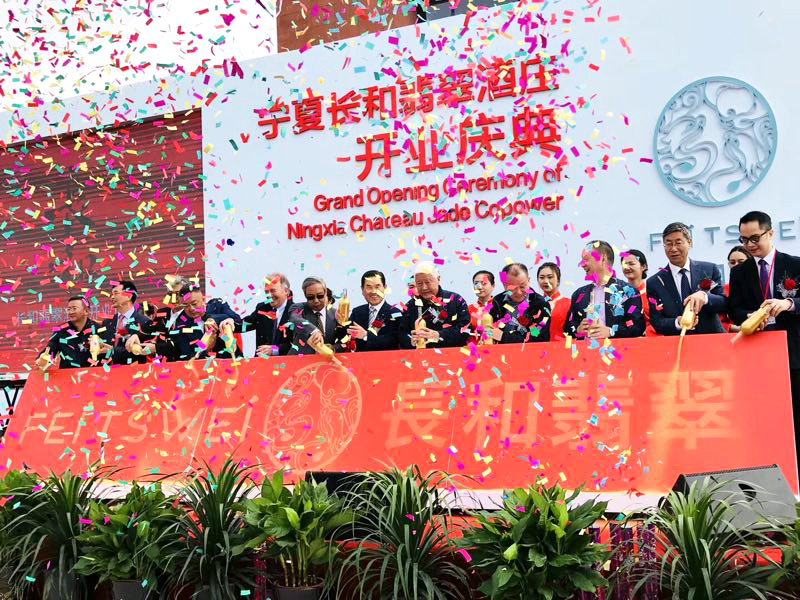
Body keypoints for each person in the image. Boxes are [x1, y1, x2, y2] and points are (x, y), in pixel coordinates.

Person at [728, 211, 800, 462]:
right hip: (758, 355)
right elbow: (734, 309)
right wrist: (750, 316)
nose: (749, 245)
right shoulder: (740, 272)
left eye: (755, 238)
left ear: (770, 233)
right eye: (744, 239)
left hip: (793, 354)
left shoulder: (795, 265)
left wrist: (789, 303)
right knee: (764, 419)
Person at [646, 223, 726, 336]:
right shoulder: (655, 282)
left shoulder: (709, 269)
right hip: (678, 342)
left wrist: (705, 297)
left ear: (689, 243)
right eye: (668, 244)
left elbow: (724, 304)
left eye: (678, 243)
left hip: (712, 339)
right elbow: (657, 321)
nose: (673, 249)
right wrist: (678, 323)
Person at [134, 282, 242, 361]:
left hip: (232, 364)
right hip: (201, 371)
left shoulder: (217, 306)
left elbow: (239, 322)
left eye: (194, 304)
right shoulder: (180, 323)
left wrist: (213, 319)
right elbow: (183, 352)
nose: (191, 309)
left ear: (203, 299)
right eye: (186, 305)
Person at [564, 240, 644, 339]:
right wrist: (578, 329)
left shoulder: (628, 292)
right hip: (585, 348)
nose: (582, 264)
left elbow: (637, 326)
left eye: (586, 259)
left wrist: (611, 332)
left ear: (602, 258)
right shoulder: (579, 294)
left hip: (617, 348)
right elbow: (567, 327)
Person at [399, 261, 470, 349]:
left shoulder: (456, 300)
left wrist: (439, 335)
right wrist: (411, 341)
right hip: (419, 355)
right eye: (419, 283)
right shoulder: (410, 306)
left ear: (438, 279)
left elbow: (466, 331)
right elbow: (401, 335)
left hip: (451, 355)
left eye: (428, 282)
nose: (424, 287)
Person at [488, 263, 550, 344]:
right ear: (504, 285)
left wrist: (503, 337)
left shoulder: (541, 304)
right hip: (501, 351)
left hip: (529, 351)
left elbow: (540, 338)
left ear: (529, 281)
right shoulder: (497, 301)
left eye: (522, 286)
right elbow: (492, 331)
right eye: (513, 288)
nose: (519, 292)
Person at [38, 296, 103, 369]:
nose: (70, 312)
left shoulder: (99, 329)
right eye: (68, 309)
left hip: (94, 373)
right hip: (67, 374)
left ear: (86, 311)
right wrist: (43, 360)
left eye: (74, 308)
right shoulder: (61, 330)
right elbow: (49, 351)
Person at [287, 276, 346, 355]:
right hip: (299, 361)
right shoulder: (298, 308)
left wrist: (331, 348)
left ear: (325, 293)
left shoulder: (335, 314)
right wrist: (314, 331)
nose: (316, 300)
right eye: (310, 297)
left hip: (325, 360)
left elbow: (344, 341)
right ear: (305, 296)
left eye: (320, 296)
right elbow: (295, 319)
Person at [345, 270, 400, 351]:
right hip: (359, 358)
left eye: (377, 287)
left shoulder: (395, 313)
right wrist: (341, 321)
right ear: (362, 290)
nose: (374, 291)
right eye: (369, 287)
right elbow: (345, 336)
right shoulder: (357, 312)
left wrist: (366, 336)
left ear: (385, 288)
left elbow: (393, 341)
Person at [242, 273, 295, 357]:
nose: (269, 295)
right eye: (266, 292)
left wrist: (274, 349)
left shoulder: (296, 312)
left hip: (286, 363)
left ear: (286, 291)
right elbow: (243, 325)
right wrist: (228, 321)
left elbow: (297, 345)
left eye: (273, 290)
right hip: (261, 362)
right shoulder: (262, 308)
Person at [101, 280, 150, 365]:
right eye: (112, 294)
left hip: (133, 370)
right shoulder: (107, 323)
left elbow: (141, 352)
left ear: (128, 296)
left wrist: (113, 351)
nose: (112, 297)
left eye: (116, 293)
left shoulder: (144, 322)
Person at [620, 249, 657, 337]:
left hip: (654, 339)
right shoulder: (619, 295)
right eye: (624, 264)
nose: (627, 267)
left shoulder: (652, 292)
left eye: (631, 264)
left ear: (643, 267)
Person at [722, 245, 752, 332]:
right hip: (731, 336)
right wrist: (731, 327)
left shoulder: (760, 286)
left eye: (741, 262)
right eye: (732, 262)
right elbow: (718, 320)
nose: (736, 265)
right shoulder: (723, 290)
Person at [537, 262, 570, 341]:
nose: (546, 281)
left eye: (550, 277)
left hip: (562, 347)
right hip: (538, 347)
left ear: (558, 280)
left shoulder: (569, 304)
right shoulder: (534, 305)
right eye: (542, 278)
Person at [468, 270, 495, 339]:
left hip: (496, 345)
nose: (479, 287)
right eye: (476, 283)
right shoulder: (468, 309)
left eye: (484, 283)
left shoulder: (500, 307)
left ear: (493, 286)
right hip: (472, 345)